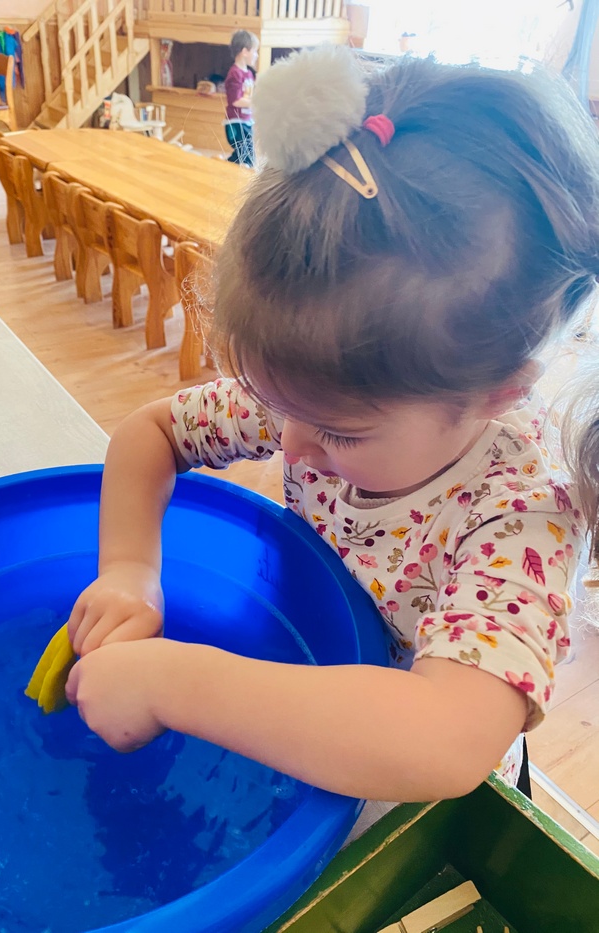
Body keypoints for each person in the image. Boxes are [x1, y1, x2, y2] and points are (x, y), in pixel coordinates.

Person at [64, 46, 599, 807]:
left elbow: (443, 742)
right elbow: (149, 433)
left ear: (497, 395)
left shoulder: (524, 512)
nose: (290, 444)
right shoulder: (320, 394)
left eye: (339, 436)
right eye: (280, 408)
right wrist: (128, 570)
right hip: (297, 682)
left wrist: (170, 682)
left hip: (403, 791)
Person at [223, 30, 258, 166]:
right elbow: (236, 101)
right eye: (254, 51)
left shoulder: (249, 74)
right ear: (245, 52)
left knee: (244, 155)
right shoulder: (235, 74)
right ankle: (227, 167)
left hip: (246, 121)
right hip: (236, 123)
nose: (256, 55)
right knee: (246, 156)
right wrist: (256, 103)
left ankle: (227, 166)